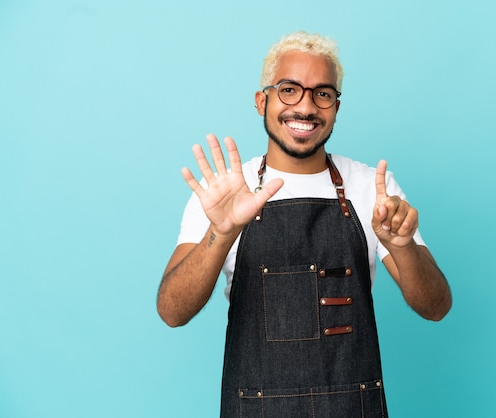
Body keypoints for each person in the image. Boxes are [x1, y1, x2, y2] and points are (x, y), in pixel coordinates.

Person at [157, 31, 451, 417]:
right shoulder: (223, 193)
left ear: (336, 106)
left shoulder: (372, 188)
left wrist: (401, 246)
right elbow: (172, 311)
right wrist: (222, 231)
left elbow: (436, 306)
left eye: (322, 93)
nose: (306, 107)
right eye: (289, 90)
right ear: (262, 100)